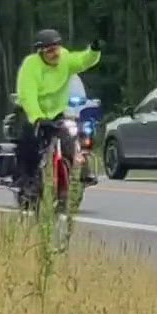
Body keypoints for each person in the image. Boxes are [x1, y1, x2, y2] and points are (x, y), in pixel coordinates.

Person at [14, 28, 101, 206]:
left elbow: (83, 60)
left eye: (57, 49)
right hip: (34, 113)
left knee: (71, 139)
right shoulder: (31, 66)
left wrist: (94, 50)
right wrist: (37, 117)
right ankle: (27, 181)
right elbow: (27, 95)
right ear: (40, 52)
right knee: (28, 142)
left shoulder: (65, 59)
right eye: (49, 51)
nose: (55, 54)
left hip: (56, 113)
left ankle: (76, 176)